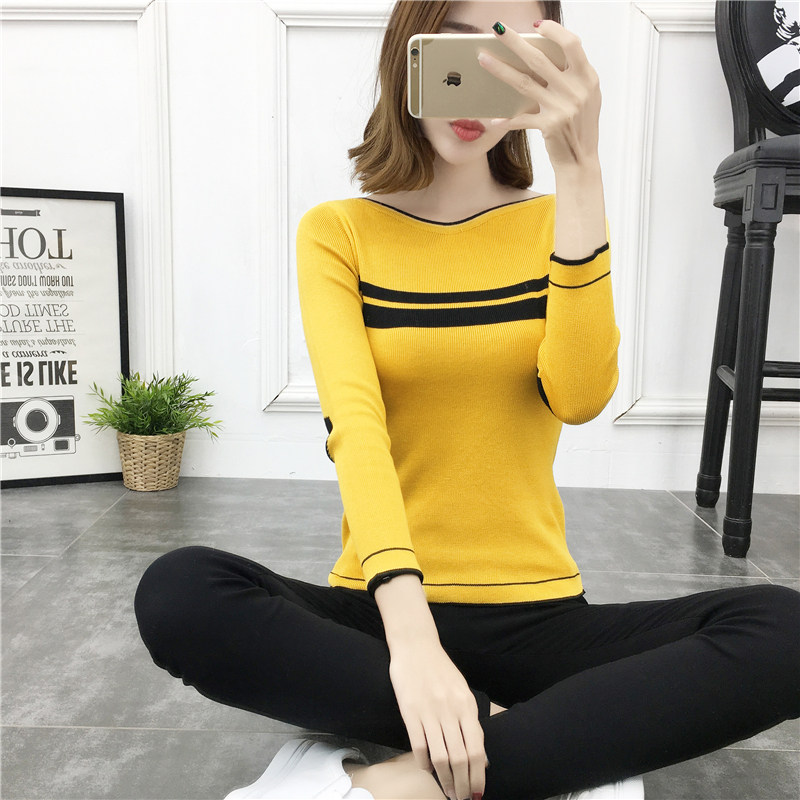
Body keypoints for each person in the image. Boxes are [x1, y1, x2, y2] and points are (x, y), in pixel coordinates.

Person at [133, 2, 800, 799]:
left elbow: (580, 397)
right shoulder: (339, 232)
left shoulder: (558, 220)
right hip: (381, 620)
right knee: (179, 594)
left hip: (539, 619)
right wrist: (414, 645)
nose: (480, 85)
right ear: (407, 53)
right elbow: (357, 430)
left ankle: (404, 783)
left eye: (511, 58)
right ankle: (534, 743)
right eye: (455, 52)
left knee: (786, 629)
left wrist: (581, 168)